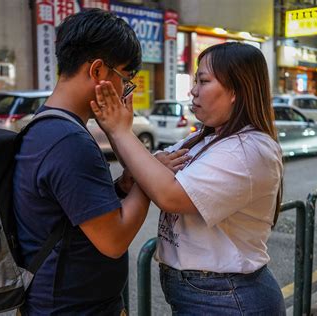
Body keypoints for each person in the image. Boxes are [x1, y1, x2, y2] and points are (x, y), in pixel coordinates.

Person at [13, 9, 188, 315]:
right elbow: (114, 239)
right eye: (125, 79)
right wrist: (151, 177)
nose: (124, 92)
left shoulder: (48, 126)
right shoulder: (68, 141)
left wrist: (123, 185)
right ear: (97, 72)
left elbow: (73, 213)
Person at [91, 42, 286, 315]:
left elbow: (170, 195)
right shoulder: (206, 137)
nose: (193, 90)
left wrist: (121, 131)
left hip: (226, 298)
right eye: (196, 80)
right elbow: (144, 167)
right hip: (206, 294)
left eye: (203, 81)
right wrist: (116, 129)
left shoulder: (249, 149)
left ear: (236, 91)